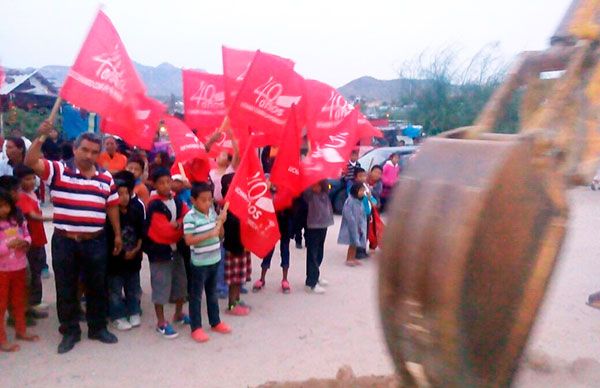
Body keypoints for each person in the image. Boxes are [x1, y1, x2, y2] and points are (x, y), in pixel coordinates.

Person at [25, 122, 122, 354]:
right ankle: (69, 331)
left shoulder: (106, 177)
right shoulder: (58, 170)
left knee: (97, 286)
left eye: (94, 151)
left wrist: (117, 234)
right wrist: (40, 136)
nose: (89, 155)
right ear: (75, 149)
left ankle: (97, 328)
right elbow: (30, 162)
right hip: (65, 241)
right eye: (85, 150)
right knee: (66, 287)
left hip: (96, 240)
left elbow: (112, 207)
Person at [144, 167, 190, 339]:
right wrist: (181, 226)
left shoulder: (175, 199)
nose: (166, 185)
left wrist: (177, 225)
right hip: (160, 252)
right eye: (161, 183)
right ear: (154, 184)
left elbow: (188, 215)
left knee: (180, 283)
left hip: (176, 250)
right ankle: (161, 322)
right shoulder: (154, 204)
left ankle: (178, 313)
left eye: (168, 181)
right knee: (161, 286)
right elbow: (164, 232)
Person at [183, 182, 231, 343]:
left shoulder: (211, 212)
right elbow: (189, 240)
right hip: (199, 264)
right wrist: (210, 233)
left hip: (215, 259)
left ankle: (215, 321)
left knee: (212, 294)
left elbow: (220, 235)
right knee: (196, 296)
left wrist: (220, 222)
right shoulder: (190, 218)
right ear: (193, 200)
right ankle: (196, 327)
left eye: (209, 199)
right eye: (203, 200)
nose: (207, 203)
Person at [105, 171, 145, 331]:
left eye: (126, 193)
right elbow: (108, 239)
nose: (124, 197)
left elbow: (142, 232)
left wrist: (135, 249)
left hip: (133, 258)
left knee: (133, 287)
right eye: (119, 194)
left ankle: (134, 310)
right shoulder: (108, 215)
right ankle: (117, 315)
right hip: (115, 260)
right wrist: (120, 252)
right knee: (115, 289)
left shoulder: (136, 210)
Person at [0, 189, 38, 352]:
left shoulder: (17, 220)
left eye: (5, 205)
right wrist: (7, 246)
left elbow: (27, 234)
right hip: (2, 270)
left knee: (19, 301)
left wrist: (25, 242)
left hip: (19, 266)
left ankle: (20, 330)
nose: (3, 209)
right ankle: (1, 339)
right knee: (1, 305)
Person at [14, 165, 51, 319]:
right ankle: (30, 303)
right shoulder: (22, 196)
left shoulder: (31, 194)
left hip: (38, 238)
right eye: (27, 179)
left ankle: (33, 302)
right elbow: (32, 215)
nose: (31, 181)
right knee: (32, 273)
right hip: (30, 240)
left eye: (32, 178)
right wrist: (54, 218)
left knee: (36, 270)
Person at [253, 185, 293, 294]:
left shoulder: (288, 184)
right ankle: (262, 278)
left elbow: (293, 203)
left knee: (285, 249)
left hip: (285, 221)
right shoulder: (269, 182)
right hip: (272, 221)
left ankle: (285, 279)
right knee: (268, 249)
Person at [221, 173, 251, 315]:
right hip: (234, 248)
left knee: (240, 277)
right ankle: (232, 304)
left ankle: (237, 300)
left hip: (243, 245)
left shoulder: (242, 203)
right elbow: (230, 227)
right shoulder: (227, 206)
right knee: (234, 278)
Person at [303, 180, 334, 294]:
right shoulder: (309, 195)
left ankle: (315, 275)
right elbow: (305, 192)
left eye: (319, 184)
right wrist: (311, 186)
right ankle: (311, 282)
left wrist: (322, 181)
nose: (317, 187)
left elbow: (328, 187)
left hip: (324, 224)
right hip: (313, 226)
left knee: (320, 251)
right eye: (315, 184)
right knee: (312, 253)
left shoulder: (325, 192)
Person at [338, 182, 368, 267]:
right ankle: (349, 258)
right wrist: (353, 223)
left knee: (355, 243)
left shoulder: (359, 201)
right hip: (351, 225)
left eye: (363, 191)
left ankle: (353, 258)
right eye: (361, 191)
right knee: (352, 243)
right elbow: (347, 213)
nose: (362, 193)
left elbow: (362, 214)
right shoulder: (350, 201)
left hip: (358, 225)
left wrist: (361, 225)